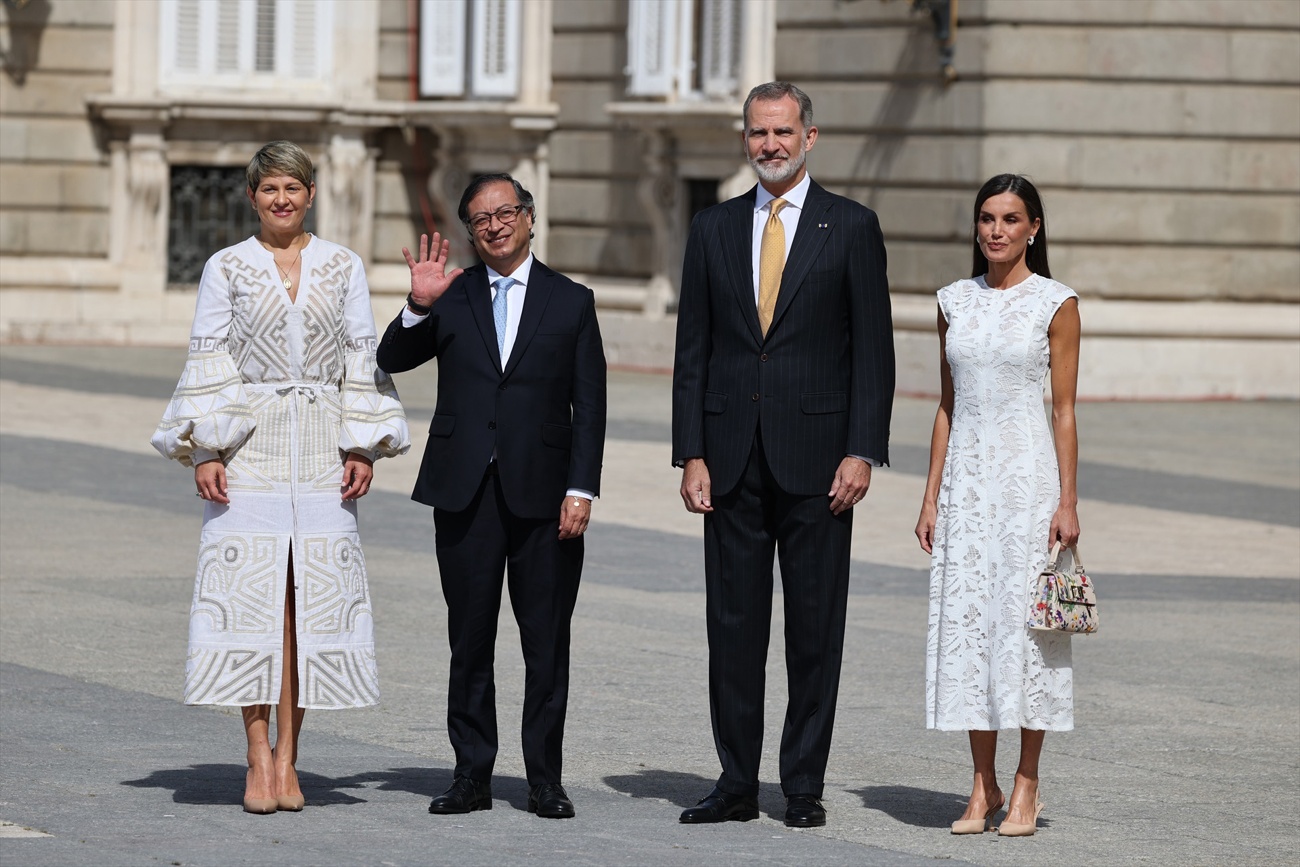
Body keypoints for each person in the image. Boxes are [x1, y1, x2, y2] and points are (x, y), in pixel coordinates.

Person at [152, 141, 410, 814]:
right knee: (252, 599)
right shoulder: (226, 266)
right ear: (252, 197)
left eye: (292, 188)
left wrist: (363, 446)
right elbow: (208, 354)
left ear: (311, 193)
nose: (282, 200)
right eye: (269, 189)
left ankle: (291, 759)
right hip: (250, 447)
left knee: (308, 606)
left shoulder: (344, 266)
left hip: (324, 445)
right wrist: (206, 447)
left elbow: (362, 354)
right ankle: (256, 754)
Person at [671, 82, 895, 828]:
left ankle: (803, 784)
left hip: (820, 461)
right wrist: (690, 451)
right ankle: (736, 780)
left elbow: (874, 351)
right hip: (730, 457)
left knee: (813, 631)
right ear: (745, 139)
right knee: (732, 628)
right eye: (757, 132)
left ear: (810, 136)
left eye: (782, 131)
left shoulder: (852, 226)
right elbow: (693, 349)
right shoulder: (712, 227)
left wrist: (862, 448)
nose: (769, 144)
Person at [375, 173, 606, 820]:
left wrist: (581, 488)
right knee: (469, 638)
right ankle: (471, 773)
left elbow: (589, 405)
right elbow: (391, 355)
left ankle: (544, 780)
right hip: (466, 492)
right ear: (469, 231)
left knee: (545, 643)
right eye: (481, 219)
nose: (495, 225)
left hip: (547, 496)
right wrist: (418, 303)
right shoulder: (453, 294)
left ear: (530, 219)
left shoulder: (572, 301)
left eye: (506, 213)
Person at [914, 174, 1081, 838]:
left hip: (1030, 483)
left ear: (1033, 228)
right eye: (987, 218)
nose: (997, 230)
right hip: (967, 487)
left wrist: (1068, 499)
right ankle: (980, 785)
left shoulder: (1056, 303)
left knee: (1031, 632)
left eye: (1012, 219)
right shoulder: (953, 301)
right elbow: (947, 405)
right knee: (973, 627)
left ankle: (1026, 782)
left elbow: (1064, 410)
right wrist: (930, 496)